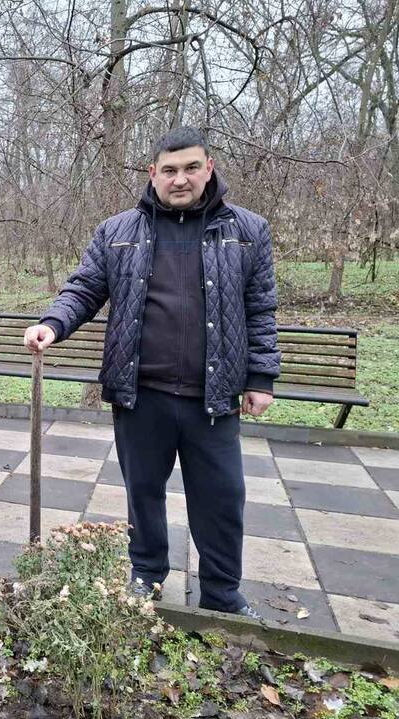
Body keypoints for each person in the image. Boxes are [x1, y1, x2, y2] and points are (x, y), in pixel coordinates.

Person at [24, 126, 281, 619]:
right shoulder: (117, 232)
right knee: (143, 493)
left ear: (209, 168)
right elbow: (83, 288)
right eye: (169, 170)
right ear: (152, 174)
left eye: (190, 168)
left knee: (222, 499)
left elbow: (261, 308)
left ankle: (222, 593)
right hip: (141, 394)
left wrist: (260, 377)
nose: (179, 179)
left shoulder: (248, 231)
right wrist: (52, 324)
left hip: (215, 395)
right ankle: (146, 575)